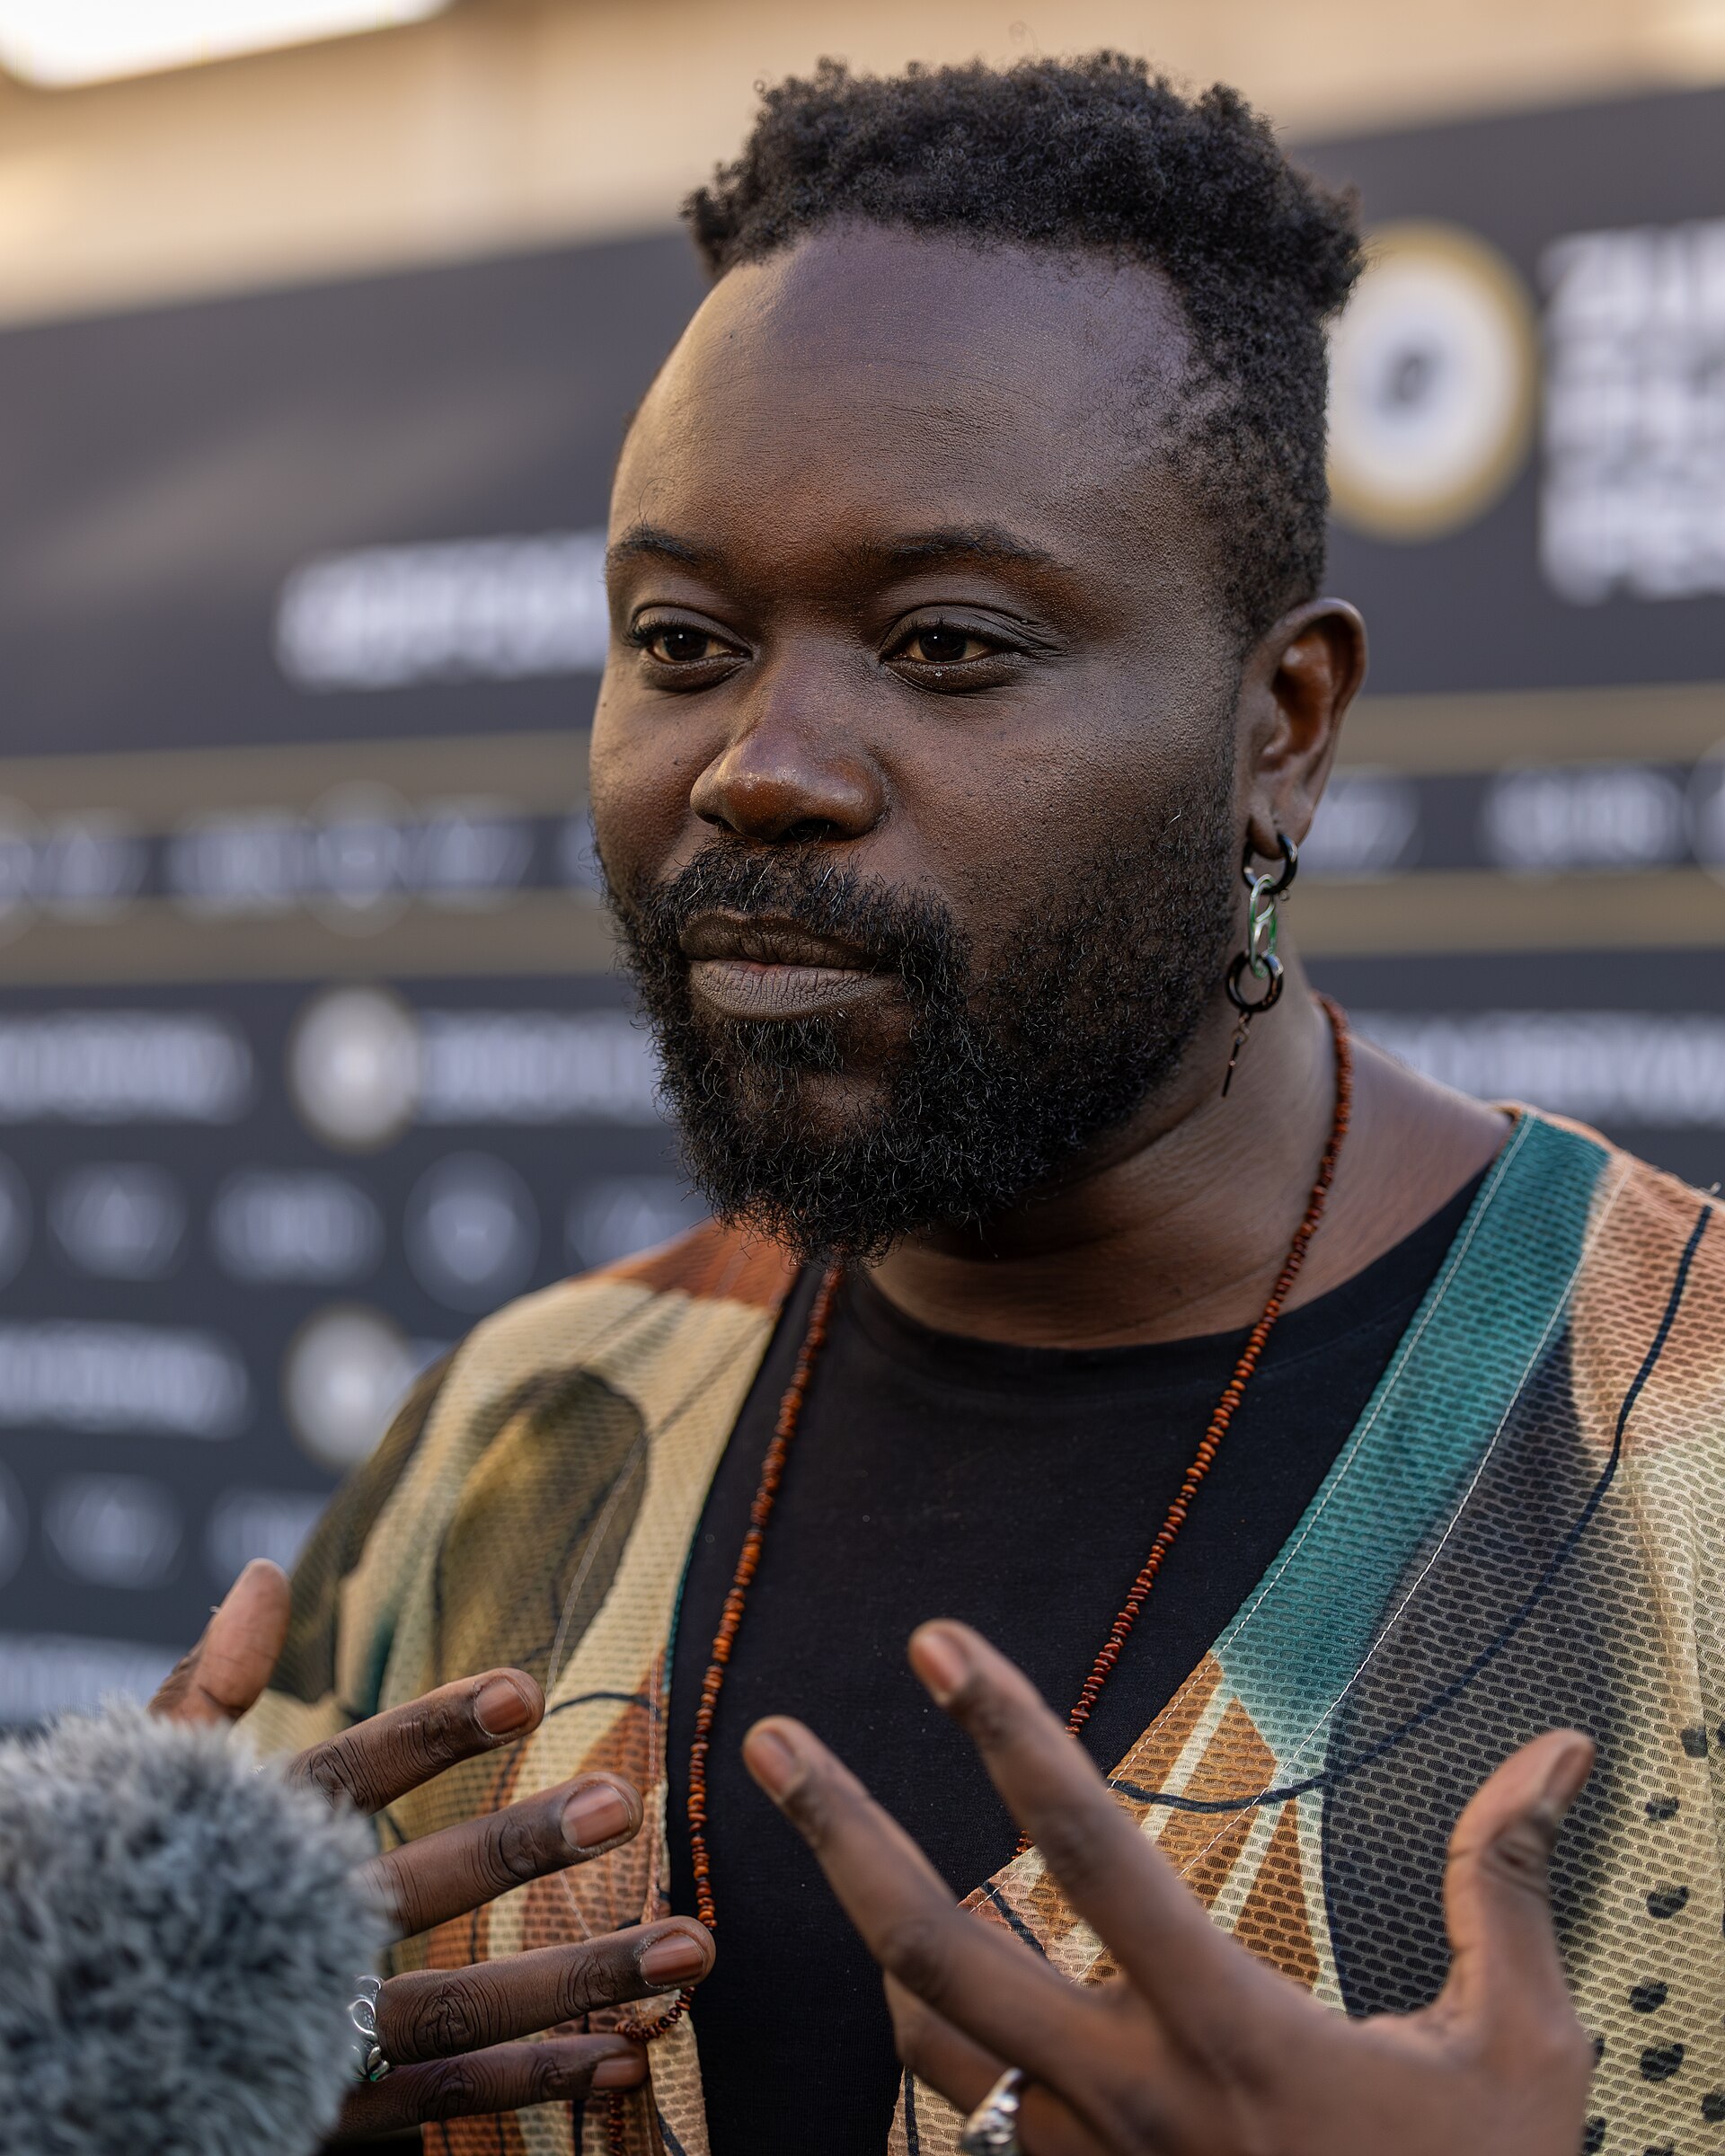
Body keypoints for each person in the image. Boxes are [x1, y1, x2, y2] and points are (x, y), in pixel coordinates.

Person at [231, 53, 1725, 2156]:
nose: (764, 763)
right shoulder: (512, 1433)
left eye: (944, 645)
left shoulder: (1690, 1450)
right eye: (681, 636)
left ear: (1280, 728)